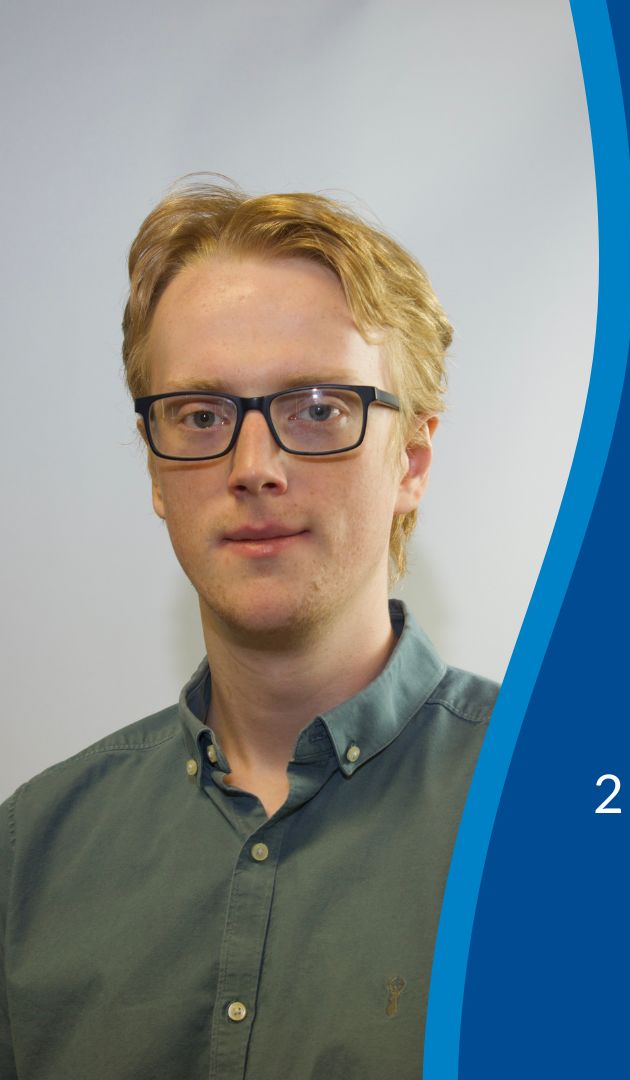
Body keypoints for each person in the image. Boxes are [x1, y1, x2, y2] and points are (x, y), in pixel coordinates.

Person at [0, 179, 496, 1079]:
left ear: (413, 461)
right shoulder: (28, 853)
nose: (253, 466)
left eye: (319, 408)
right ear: (156, 472)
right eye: (201, 416)